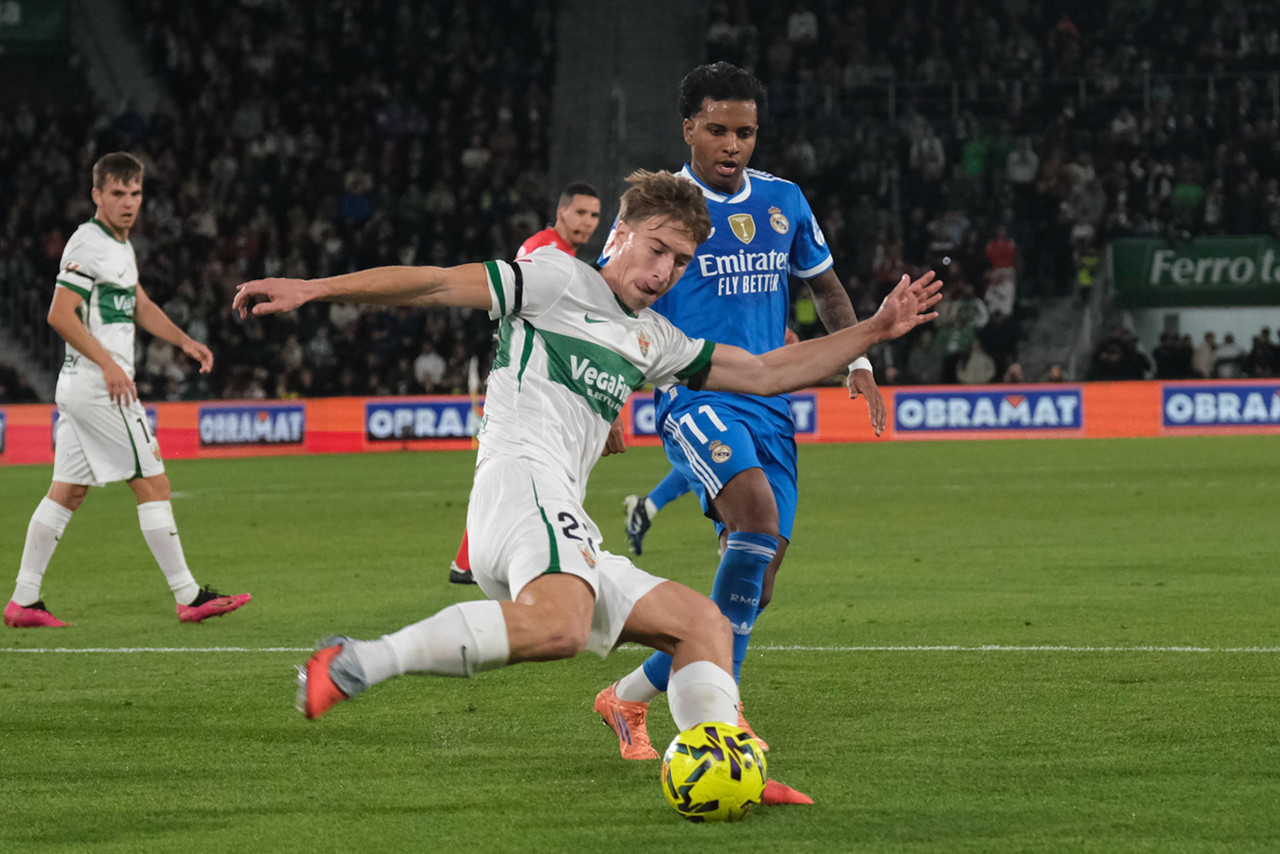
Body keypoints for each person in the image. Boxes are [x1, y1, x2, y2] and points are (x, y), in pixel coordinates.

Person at [232, 170, 940, 806]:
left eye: (682, 262)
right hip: (519, 486)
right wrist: (316, 289)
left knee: (703, 626)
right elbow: (436, 283)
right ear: (621, 233)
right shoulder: (552, 277)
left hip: (558, 512)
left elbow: (761, 374)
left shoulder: (653, 338)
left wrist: (875, 330)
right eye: (657, 249)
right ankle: (356, 661)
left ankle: (730, 766)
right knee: (562, 626)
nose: (665, 271)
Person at [598, 62, 885, 760]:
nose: (733, 145)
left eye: (746, 132)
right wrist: (605, 397)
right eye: (719, 130)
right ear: (689, 128)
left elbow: (827, 290)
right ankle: (721, 716)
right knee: (754, 518)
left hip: (771, 403)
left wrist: (859, 362)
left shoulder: (785, 201)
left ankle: (626, 698)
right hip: (694, 396)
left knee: (756, 582)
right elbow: (607, 304)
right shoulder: (654, 211)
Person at [5, 152, 251, 628]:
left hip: (84, 387)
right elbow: (58, 314)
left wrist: (183, 341)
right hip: (100, 387)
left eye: (135, 193)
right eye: (117, 193)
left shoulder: (121, 246)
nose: (128, 202)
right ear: (97, 195)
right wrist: (108, 365)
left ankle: (24, 600)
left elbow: (139, 305)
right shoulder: (88, 242)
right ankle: (189, 595)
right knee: (154, 482)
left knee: (68, 492)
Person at [449, 182, 603, 585]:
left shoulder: (563, 256)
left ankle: (468, 561)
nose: (588, 222)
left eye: (595, 216)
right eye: (582, 213)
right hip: (527, 378)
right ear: (562, 211)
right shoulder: (543, 250)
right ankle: (481, 558)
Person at [623, 327, 798, 556]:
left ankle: (647, 507)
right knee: (728, 470)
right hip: (697, 387)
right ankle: (649, 508)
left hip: (748, 391)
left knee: (723, 462)